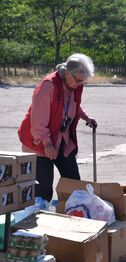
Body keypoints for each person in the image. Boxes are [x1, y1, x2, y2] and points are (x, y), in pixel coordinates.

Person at [18, 53, 97, 202]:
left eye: (83, 82)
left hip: (61, 140)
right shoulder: (47, 86)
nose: (79, 84)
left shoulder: (75, 85)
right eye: (78, 80)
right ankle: (39, 216)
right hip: (39, 142)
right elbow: (38, 120)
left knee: (74, 182)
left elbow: (73, 105)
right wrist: (47, 143)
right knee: (43, 190)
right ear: (67, 73)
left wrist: (85, 117)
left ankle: (74, 212)